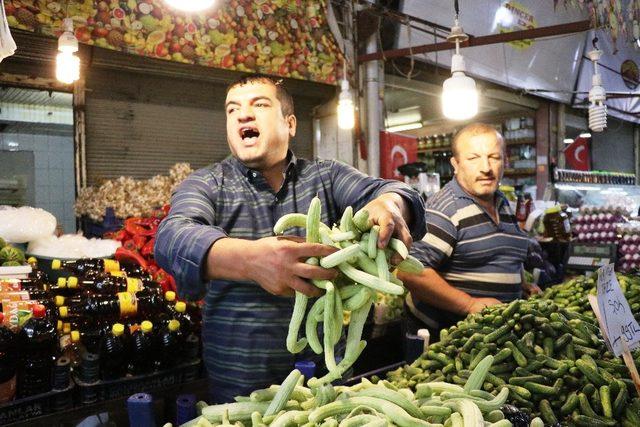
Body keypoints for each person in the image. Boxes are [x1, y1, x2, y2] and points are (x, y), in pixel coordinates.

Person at [154, 74, 426, 403]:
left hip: (328, 383)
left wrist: (389, 204)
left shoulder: (328, 176)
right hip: (242, 391)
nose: (243, 115)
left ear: (290, 123)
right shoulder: (207, 184)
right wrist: (250, 261)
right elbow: (172, 237)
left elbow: (395, 192)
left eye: (260, 105)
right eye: (232, 109)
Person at [399, 123, 541, 336]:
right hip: (448, 339)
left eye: (494, 157)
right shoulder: (444, 209)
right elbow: (411, 273)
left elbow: (500, 254)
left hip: (494, 335)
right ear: (455, 164)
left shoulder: (503, 203)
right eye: (473, 158)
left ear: (505, 161)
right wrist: (469, 304)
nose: (486, 167)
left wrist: (520, 286)